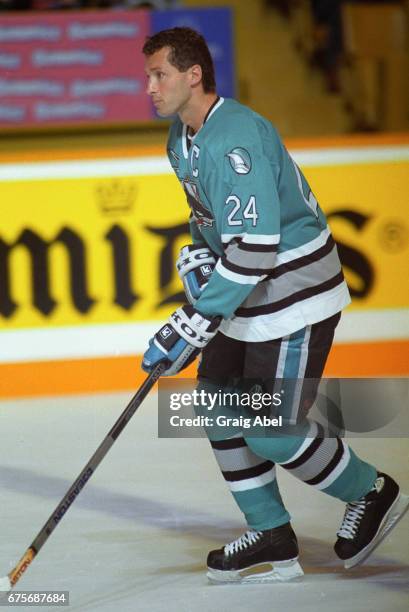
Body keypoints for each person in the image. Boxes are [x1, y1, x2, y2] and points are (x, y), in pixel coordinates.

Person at [141, 27, 408, 583]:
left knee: (268, 429)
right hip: (250, 294)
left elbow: (259, 247)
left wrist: (196, 318)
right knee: (215, 404)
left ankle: (372, 489)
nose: (150, 86)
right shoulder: (181, 139)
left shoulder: (235, 139)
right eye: (148, 76)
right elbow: (216, 221)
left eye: (158, 74)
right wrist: (201, 257)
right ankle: (271, 533)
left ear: (193, 75)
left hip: (292, 295)